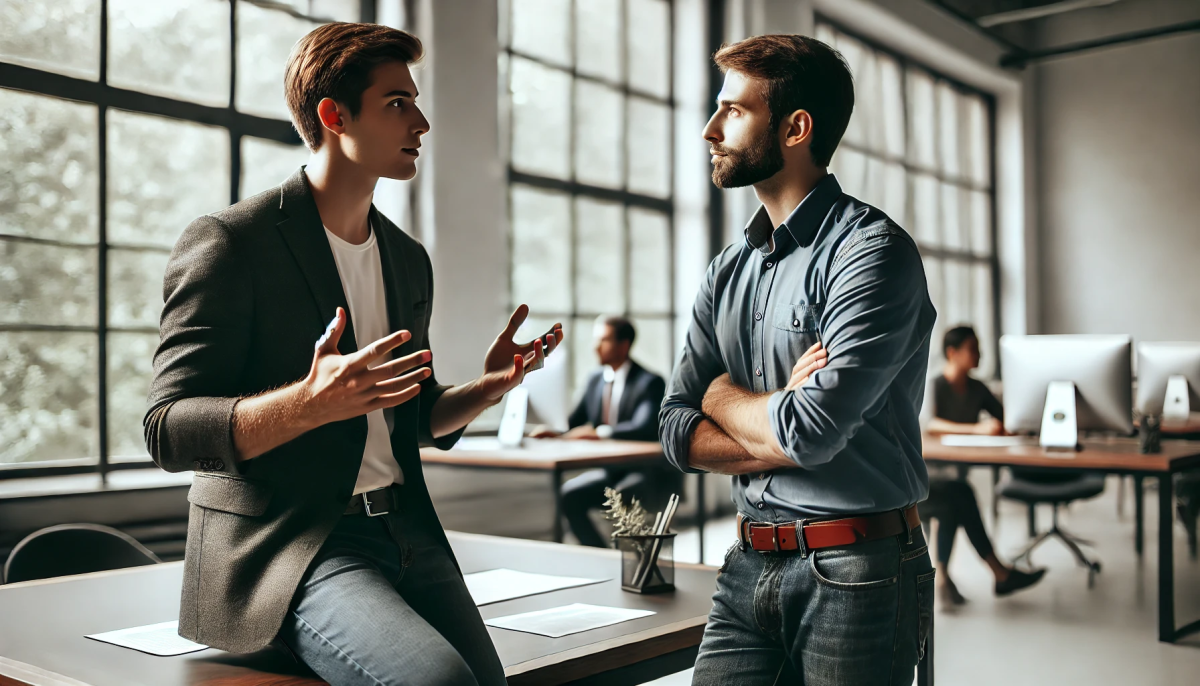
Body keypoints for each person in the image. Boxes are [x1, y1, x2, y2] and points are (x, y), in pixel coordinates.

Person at [144, 23, 563, 686]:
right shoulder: (232, 242)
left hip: (405, 532)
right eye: (398, 102)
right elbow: (166, 429)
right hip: (294, 547)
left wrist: (486, 389)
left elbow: (414, 419)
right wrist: (307, 405)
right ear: (334, 116)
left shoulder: (406, 258)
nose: (421, 121)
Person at [660, 35, 937, 684]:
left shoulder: (872, 254)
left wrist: (722, 398)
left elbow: (808, 430)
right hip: (747, 560)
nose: (709, 128)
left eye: (733, 110)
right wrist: (778, 419)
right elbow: (674, 426)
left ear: (795, 128)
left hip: (858, 569)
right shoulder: (728, 269)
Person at [923, 326, 1046, 604]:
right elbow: (931, 424)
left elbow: (1007, 419)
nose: (979, 354)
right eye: (973, 348)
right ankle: (996, 573)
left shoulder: (977, 388)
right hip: (921, 481)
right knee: (959, 496)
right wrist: (978, 430)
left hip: (950, 482)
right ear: (952, 353)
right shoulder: (934, 384)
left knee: (956, 499)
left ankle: (945, 577)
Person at [533, 316, 678, 547]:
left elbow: (644, 426)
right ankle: (602, 556)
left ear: (624, 345)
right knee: (569, 495)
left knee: (622, 495)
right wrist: (556, 434)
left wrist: (600, 433)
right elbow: (575, 423)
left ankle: (631, 563)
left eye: (604, 340)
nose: (595, 346)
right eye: (596, 340)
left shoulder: (649, 382)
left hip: (645, 470)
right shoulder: (594, 380)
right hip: (611, 471)